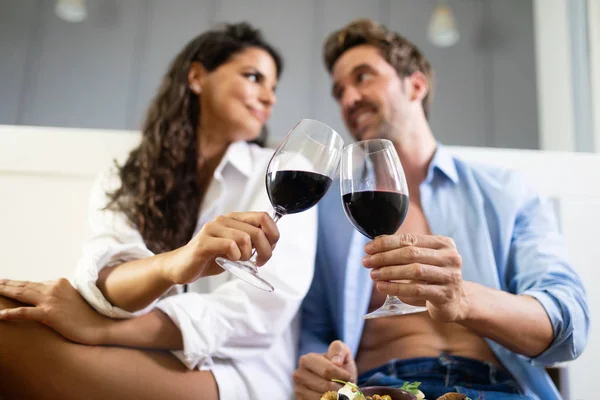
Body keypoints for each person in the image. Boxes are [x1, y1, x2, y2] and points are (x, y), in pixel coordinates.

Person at [0, 22, 317, 400]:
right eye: (254, 77)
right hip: (141, 350)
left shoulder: (281, 171)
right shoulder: (126, 176)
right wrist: (174, 264)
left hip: (234, 374)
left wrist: (102, 330)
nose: (269, 98)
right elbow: (109, 280)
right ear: (197, 76)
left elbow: (257, 316)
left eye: (273, 87)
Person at [294, 18, 589, 400]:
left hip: (497, 388)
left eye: (363, 77)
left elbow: (570, 324)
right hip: (382, 390)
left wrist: (463, 299)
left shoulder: (505, 192)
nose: (348, 99)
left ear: (416, 85)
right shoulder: (328, 214)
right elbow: (315, 329)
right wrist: (322, 367)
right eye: (339, 91)